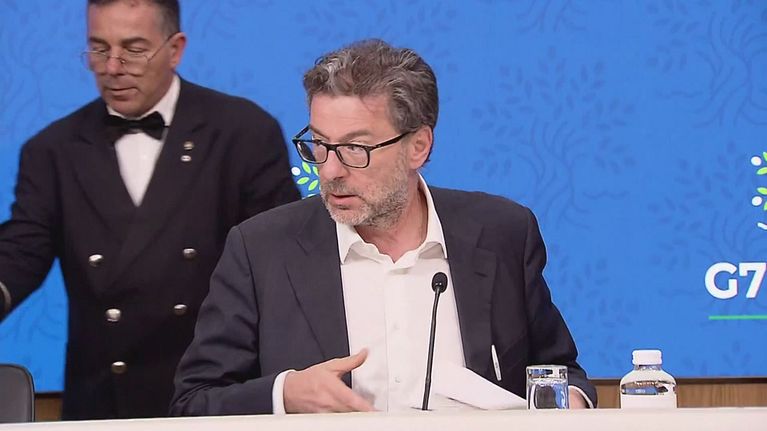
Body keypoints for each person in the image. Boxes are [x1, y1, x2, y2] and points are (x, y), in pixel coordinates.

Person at [170, 39, 596, 415]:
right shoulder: (261, 249)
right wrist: (285, 395)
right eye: (319, 144)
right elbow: (194, 401)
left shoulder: (502, 234)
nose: (330, 170)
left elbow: (562, 374)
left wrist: (566, 406)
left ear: (418, 147)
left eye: (355, 148)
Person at [0, 0, 299, 420]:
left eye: (134, 49)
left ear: (175, 49)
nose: (112, 67)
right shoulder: (52, 149)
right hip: (103, 402)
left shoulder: (244, 132)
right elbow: (21, 252)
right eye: (99, 49)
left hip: (217, 394)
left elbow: (281, 262)